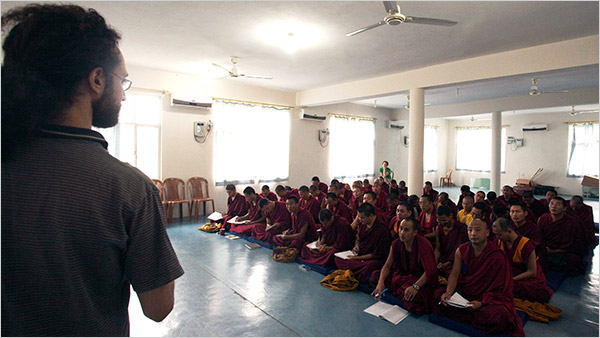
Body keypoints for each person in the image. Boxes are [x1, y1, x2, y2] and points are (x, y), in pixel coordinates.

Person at [1, 4, 184, 336]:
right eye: (122, 81)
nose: (124, 96)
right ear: (97, 80)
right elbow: (159, 307)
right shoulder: (127, 187)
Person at [436, 220, 525, 337]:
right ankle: (469, 313)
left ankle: (469, 313)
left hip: (487, 298)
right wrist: (448, 293)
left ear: (487, 232)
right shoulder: (461, 250)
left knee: (501, 315)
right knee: (437, 295)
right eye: (470, 230)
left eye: (477, 230)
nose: (473, 233)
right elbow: (454, 273)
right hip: (466, 292)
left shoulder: (497, 256)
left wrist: (482, 303)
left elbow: (500, 288)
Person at [371, 218, 438, 315]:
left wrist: (415, 287)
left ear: (415, 232)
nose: (402, 233)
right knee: (375, 276)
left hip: (419, 281)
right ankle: (401, 293)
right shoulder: (396, 244)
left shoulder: (424, 245)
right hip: (402, 277)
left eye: (406, 230)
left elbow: (430, 271)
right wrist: (380, 283)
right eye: (400, 229)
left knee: (416, 298)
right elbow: (387, 265)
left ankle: (401, 293)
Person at [492, 218, 553, 303]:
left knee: (541, 293)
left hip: (525, 277)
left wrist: (511, 280)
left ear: (509, 231)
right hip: (508, 273)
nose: (497, 237)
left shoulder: (526, 245)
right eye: (495, 235)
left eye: (499, 235)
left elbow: (532, 272)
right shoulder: (499, 242)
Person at [334, 203, 392, 283]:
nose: (360, 220)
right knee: (338, 259)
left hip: (373, 259)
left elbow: (377, 254)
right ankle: (357, 272)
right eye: (359, 217)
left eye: (362, 218)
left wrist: (356, 258)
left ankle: (357, 272)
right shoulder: (362, 224)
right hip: (360, 254)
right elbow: (358, 237)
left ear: (371, 215)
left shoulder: (381, 230)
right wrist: (356, 246)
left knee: (369, 266)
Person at [538, 197, 587, 273]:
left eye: (558, 204)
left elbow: (577, 244)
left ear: (564, 208)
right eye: (552, 203)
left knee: (573, 260)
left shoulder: (572, 222)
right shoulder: (543, 218)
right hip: (546, 250)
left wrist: (553, 251)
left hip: (564, 252)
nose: (553, 206)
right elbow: (538, 237)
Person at [435, 206, 468, 277]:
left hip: (456, 260)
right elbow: (438, 248)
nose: (442, 223)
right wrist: (435, 262)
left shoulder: (461, 228)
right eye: (439, 220)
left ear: (450, 216)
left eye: (444, 220)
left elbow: (460, 249)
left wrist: (446, 264)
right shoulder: (438, 227)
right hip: (442, 259)